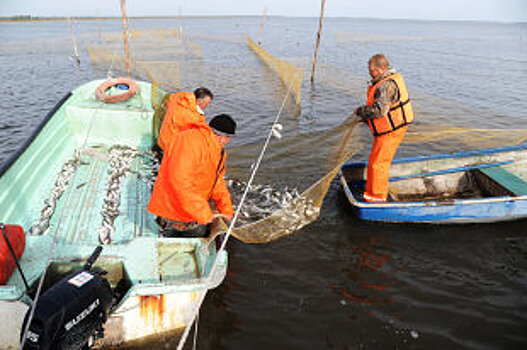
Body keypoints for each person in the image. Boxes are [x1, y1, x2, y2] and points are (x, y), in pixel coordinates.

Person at [147, 114, 236, 237]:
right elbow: (179, 181)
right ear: (209, 129)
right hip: (173, 209)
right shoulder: (190, 141)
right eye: (217, 134)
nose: (222, 140)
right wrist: (202, 212)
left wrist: (226, 209)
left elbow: (217, 182)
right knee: (191, 235)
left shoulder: (219, 152)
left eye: (227, 137)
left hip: (192, 208)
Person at [354, 54, 414, 202]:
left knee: (378, 163)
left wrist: (360, 111)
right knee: (375, 161)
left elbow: (379, 110)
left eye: (372, 70)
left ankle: (377, 198)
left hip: (392, 130)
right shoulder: (385, 79)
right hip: (387, 128)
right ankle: (371, 193)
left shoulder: (386, 85)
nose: (369, 72)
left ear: (382, 69)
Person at [157, 87, 214, 151]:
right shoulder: (192, 117)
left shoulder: (179, 99)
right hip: (169, 146)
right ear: (198, 101)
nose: (207, 105)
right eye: (207, 103)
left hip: (162, 139)